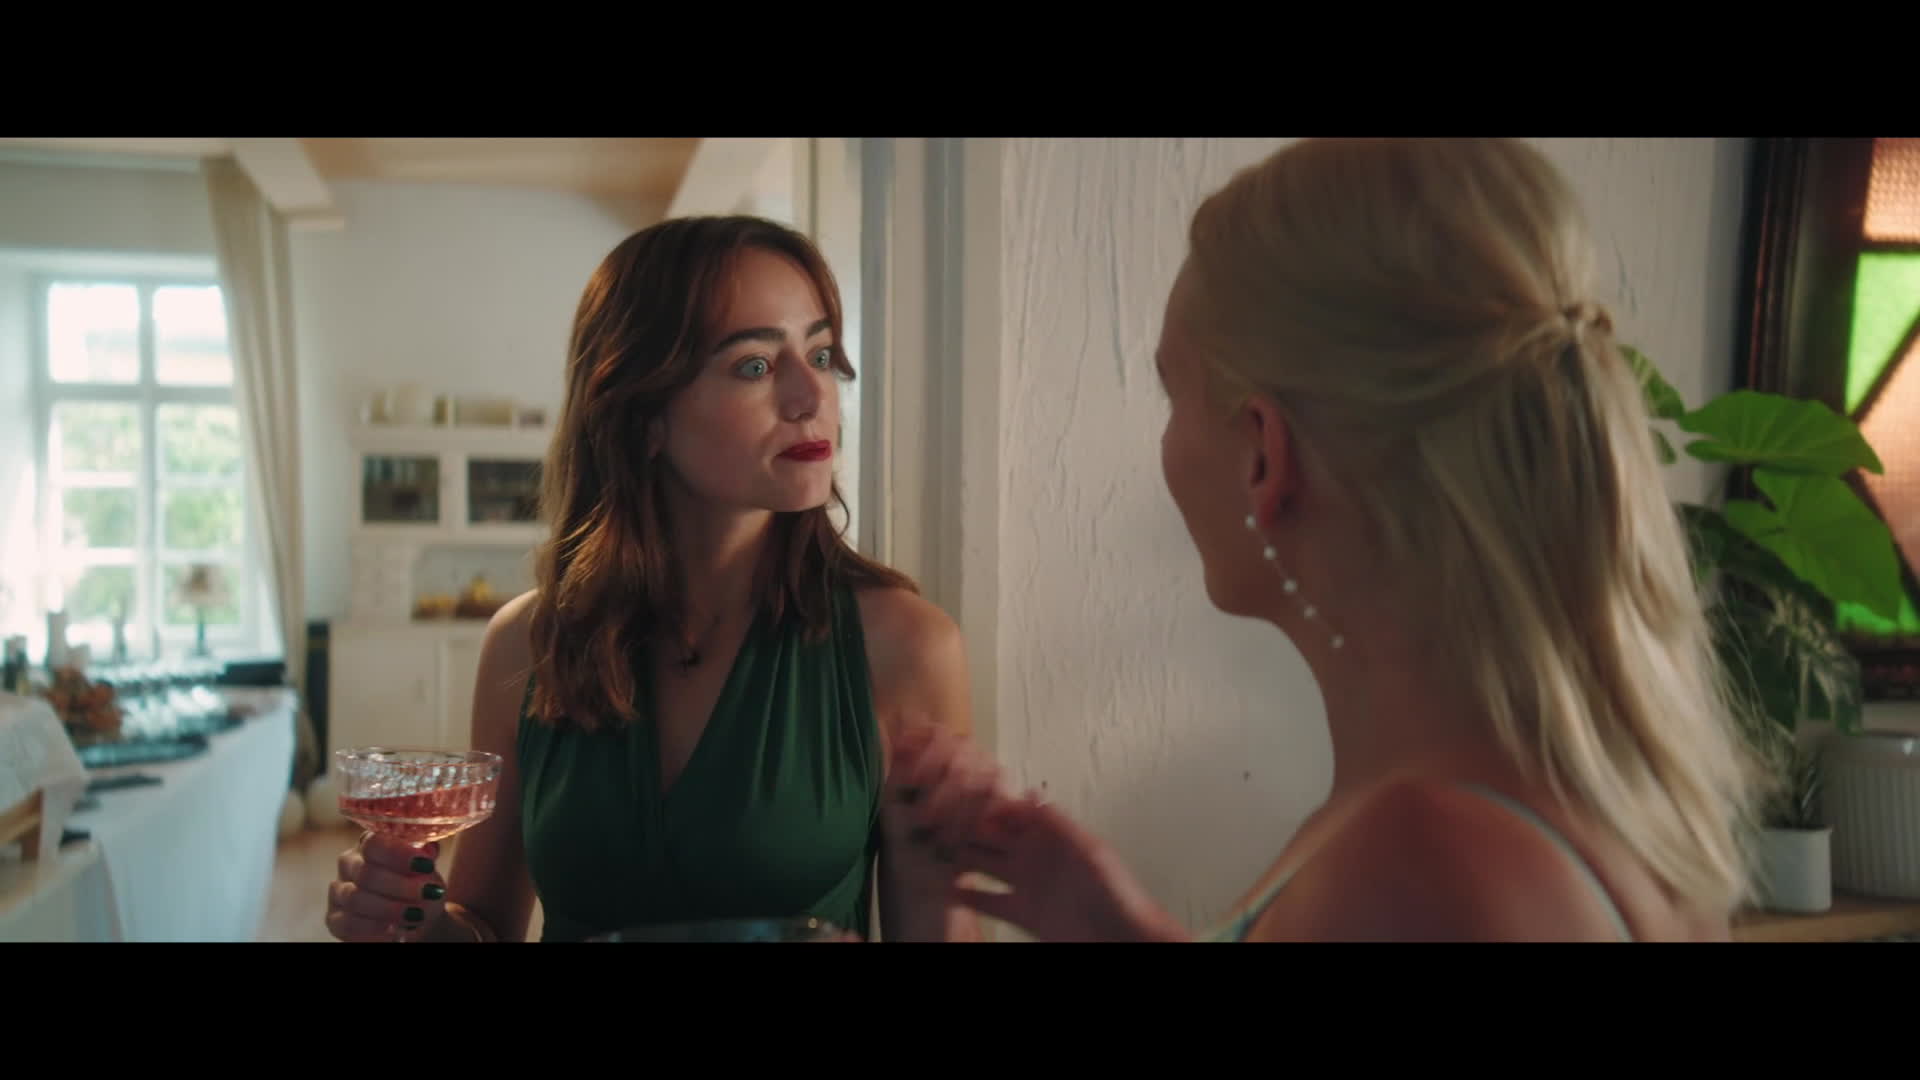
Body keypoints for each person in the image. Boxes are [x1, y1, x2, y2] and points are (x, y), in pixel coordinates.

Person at [888, 137, 1767, 942]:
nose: (1166, 444)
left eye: (1173, 395)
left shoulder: (1420, 867)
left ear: (1264, 455)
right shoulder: (1573, 800)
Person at [325, 216, 979, 942]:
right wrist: (413, 921)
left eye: (821, 354)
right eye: (755, 366)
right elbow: (482, 924)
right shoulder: (527, 645)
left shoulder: (905, 648)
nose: (811, 397)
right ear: (642, 417)